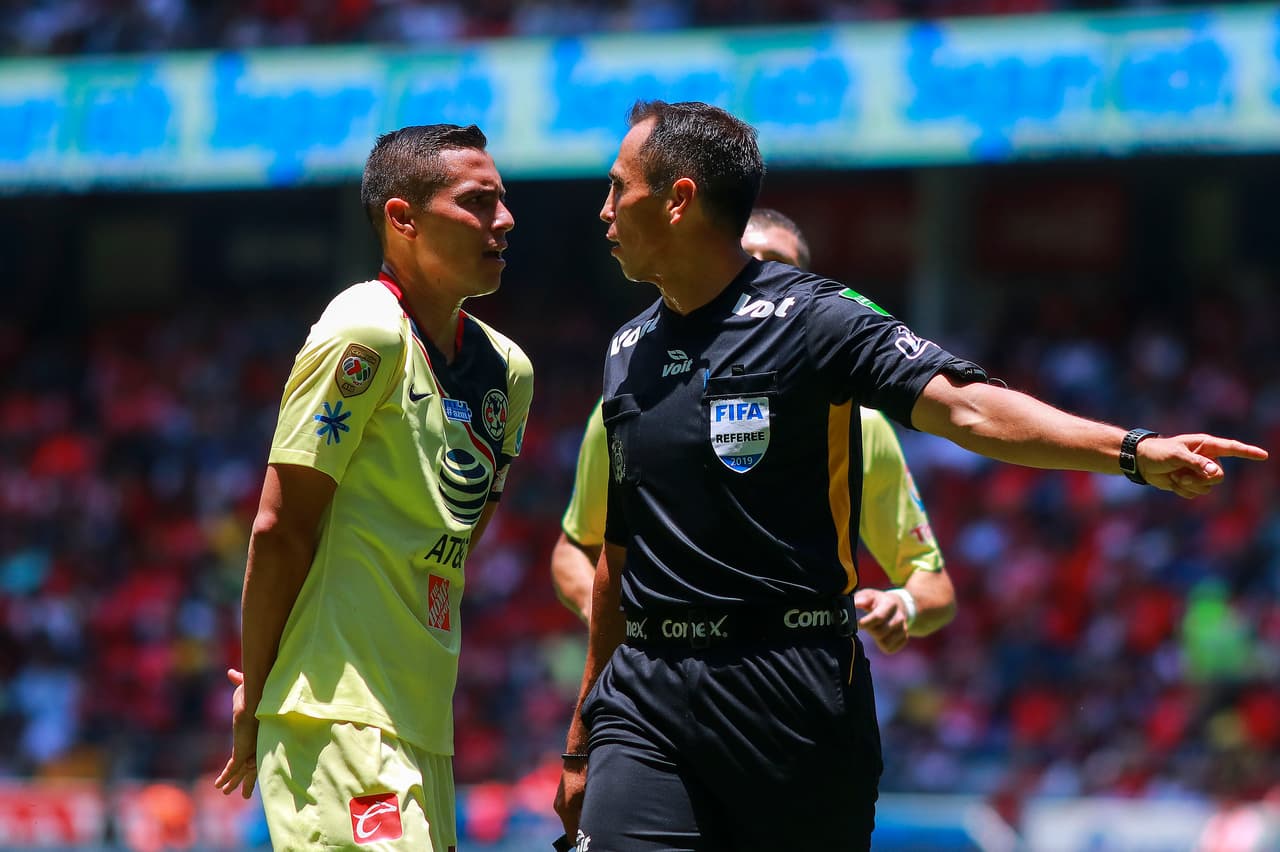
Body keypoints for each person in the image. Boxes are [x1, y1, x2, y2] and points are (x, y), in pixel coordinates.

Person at [553, 99, 1267, 851]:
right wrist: (581, 735)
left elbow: (967, 410)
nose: (602, 211)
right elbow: (617, 561)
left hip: (789, 694)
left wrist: (1131, 450)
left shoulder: (814, 320)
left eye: (617, 187)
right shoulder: (627, 349)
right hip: (646, 696)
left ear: (679, 199)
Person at [213, 123, 533, 852]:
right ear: (402, 219)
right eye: (478, 203)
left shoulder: (509, 373)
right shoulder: (367, 328)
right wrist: (255, 695)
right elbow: (280, 526)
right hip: (333, 714)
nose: (504, 220)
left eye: (503, 201)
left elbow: (456, 542)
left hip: (425, 724)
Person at [551, 207, 956, 654]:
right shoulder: (632, 398)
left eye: (776, 263)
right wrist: (609, 621)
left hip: (790, 671)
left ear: (804, 289)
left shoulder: (860, 423)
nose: (756, 276)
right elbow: (575, 548)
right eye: (746, 258)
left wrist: (905, 604)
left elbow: (933, 586)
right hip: (662, 674)